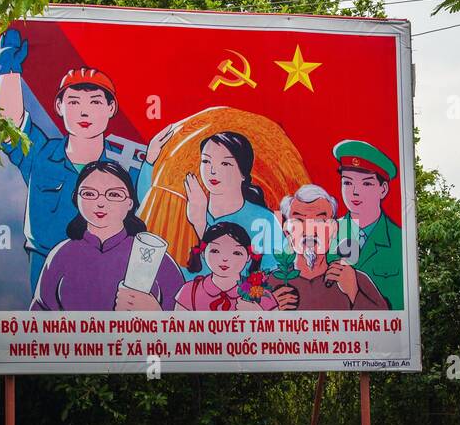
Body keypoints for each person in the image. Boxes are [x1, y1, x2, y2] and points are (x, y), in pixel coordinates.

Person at [0, 27, 144, 295]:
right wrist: (9, 71)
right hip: (47, 274)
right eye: (73, 102)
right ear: (59, 107)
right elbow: (9, 126)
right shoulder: (40, 155)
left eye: (96, 102)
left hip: (110, 276)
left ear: (111, 109)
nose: (84, 111)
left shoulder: (128, 167)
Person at [31, 161, 184, 312]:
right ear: (76, 199)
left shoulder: (155, 258)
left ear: (130, 203)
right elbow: (38, 315)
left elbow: (186, 325)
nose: (100, 203)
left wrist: (156, 313)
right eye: (89, 193)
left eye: (114, 194)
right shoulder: (61, 254)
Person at [139, 126, 280, 277]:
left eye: (225, 164)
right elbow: (147, 207)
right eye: (206, 161)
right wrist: (150, 160)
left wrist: (200, 224)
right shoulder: (190, 206)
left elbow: (269, 277)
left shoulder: (264, 220)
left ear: (244, 173)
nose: (212, 171)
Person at [268, 184, 386, 312]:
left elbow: (387, 324)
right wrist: (269, 309)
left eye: (319, 221)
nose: (309, 231)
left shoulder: (354, 279)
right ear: (287, 231)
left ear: (333, 230)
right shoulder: (272, 283)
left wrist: (353, 293)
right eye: (299, 221)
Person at [331, 139, 404, 310]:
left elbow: (400, 308)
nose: (355, 192)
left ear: (383, 189)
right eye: (347, 182)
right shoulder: (328, 233)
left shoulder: (399, 240)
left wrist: (355, 290)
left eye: (366, 183)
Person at [175, 222, 278, 312]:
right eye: (215, 251)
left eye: (236, 253)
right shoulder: (190, 290)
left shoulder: (260, 294)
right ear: (203, 253)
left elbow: (280, 330)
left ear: (248, 257)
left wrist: (259, 314)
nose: (225, 258)